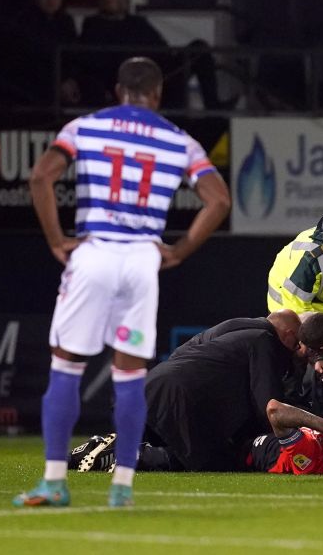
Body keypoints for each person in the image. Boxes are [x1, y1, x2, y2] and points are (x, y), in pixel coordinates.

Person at [15, 56, 231, 508]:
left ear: (118, 91)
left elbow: (41, 176)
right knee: (130, 374)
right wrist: (177, 250)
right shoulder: (178, 140)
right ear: (156, 95)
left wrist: (57, 241)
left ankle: (55, 482)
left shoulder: (85, 127)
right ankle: (122, 488)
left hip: (94, 253)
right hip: (140, 261)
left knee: (66, 366)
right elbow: (218, 200)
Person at [140, 311, 305, 472]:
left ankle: (124, 449)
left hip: (155, 382)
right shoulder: (264, 340)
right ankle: (139, 457)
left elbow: (180, 353)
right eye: (297, 344)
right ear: (288, 334)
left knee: (166, 442)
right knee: (212, 461)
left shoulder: (234, 326)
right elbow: (267, 405)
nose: (297, 351)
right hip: (182, 398)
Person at [78, 0, 235, 110]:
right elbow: (94, 60)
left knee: (199, 48)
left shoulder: (136, 22)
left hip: (159, 72)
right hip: (129, 78)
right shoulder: (94, 24)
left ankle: (214, 107)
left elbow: (161, 46)